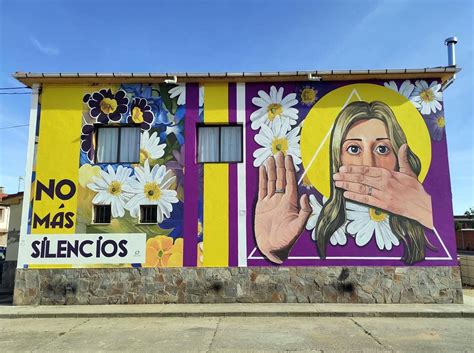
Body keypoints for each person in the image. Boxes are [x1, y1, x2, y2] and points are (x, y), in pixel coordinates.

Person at [255, 101, 434, 265]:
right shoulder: (322, 222)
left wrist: (421, 209)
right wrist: (275, 249)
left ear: (399, 156)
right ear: (337, 159)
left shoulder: (418, 222)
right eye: (354, 149)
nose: (368, 163)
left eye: (382, 149)